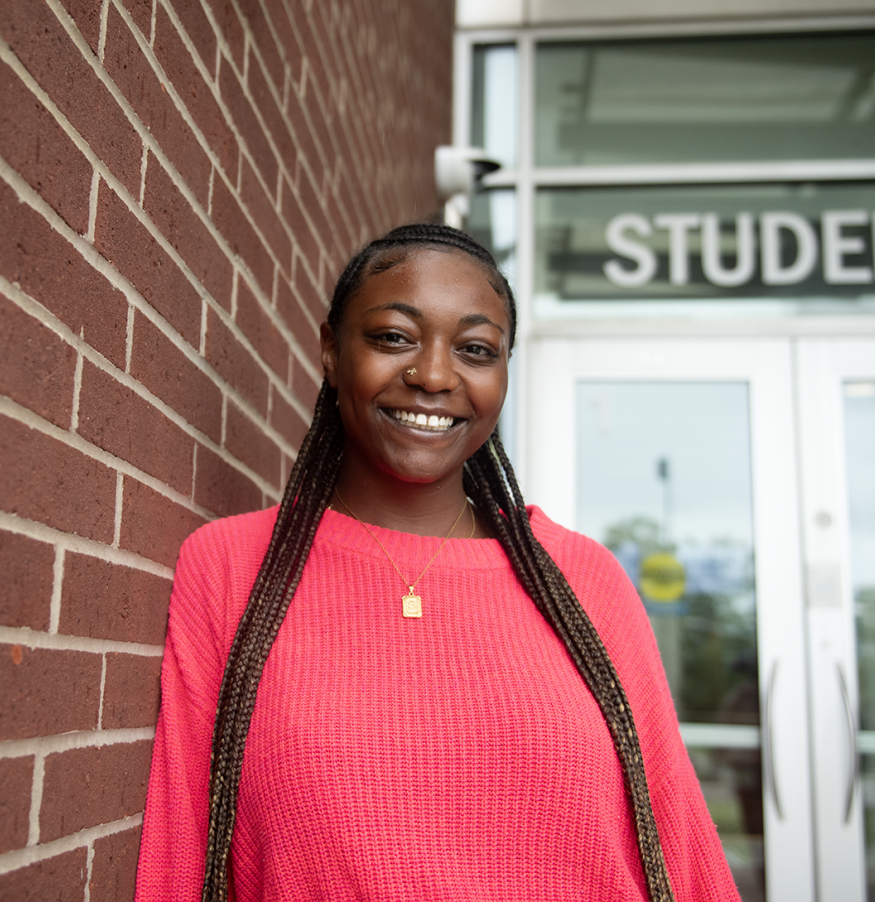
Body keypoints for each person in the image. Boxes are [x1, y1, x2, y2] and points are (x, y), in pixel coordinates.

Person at [135, 224, 739, 901]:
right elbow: (180, 854)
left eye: (476, 349)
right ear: (331, 352)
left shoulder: (583, 578)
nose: (434, 376)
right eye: (394, 337)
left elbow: (679, 843)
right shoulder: (231, 568)